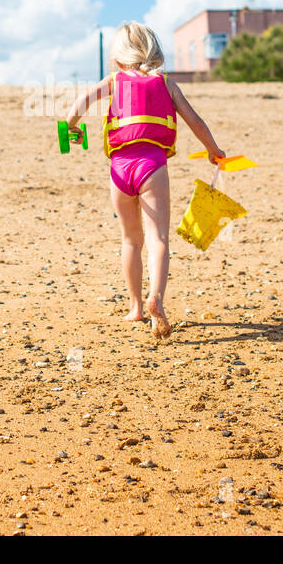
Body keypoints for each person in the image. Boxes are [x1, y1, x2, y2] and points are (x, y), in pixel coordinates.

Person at [64, 22, 224, 339]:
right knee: (157, 239)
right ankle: (157, 301)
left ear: (119, 56)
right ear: (153, 50)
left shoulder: (114, 81)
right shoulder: (166, 84)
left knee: (130, 240)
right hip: (153, 166)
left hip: (120, 169)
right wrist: (213, 149)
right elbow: (194, 120)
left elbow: (81, 101)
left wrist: (71, 127)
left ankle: (135, 306)